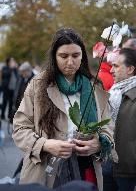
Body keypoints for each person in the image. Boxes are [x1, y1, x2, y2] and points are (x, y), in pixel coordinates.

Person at [12, 28, 114, 191]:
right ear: (54, 57)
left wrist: (99, 144)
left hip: (86, 168)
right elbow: (20, 128)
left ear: (82, 56)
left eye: (75, 55)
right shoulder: (38, 85)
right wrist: (45, 144)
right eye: (64, 56)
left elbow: (108, 126)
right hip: (45, 169)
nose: (70, 62)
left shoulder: (95, 86)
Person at [110, 48, 136, 191]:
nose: (111, 70)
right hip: (108, 165)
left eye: (116, 66)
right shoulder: (113, 93)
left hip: (128, 172)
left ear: (130, 69)